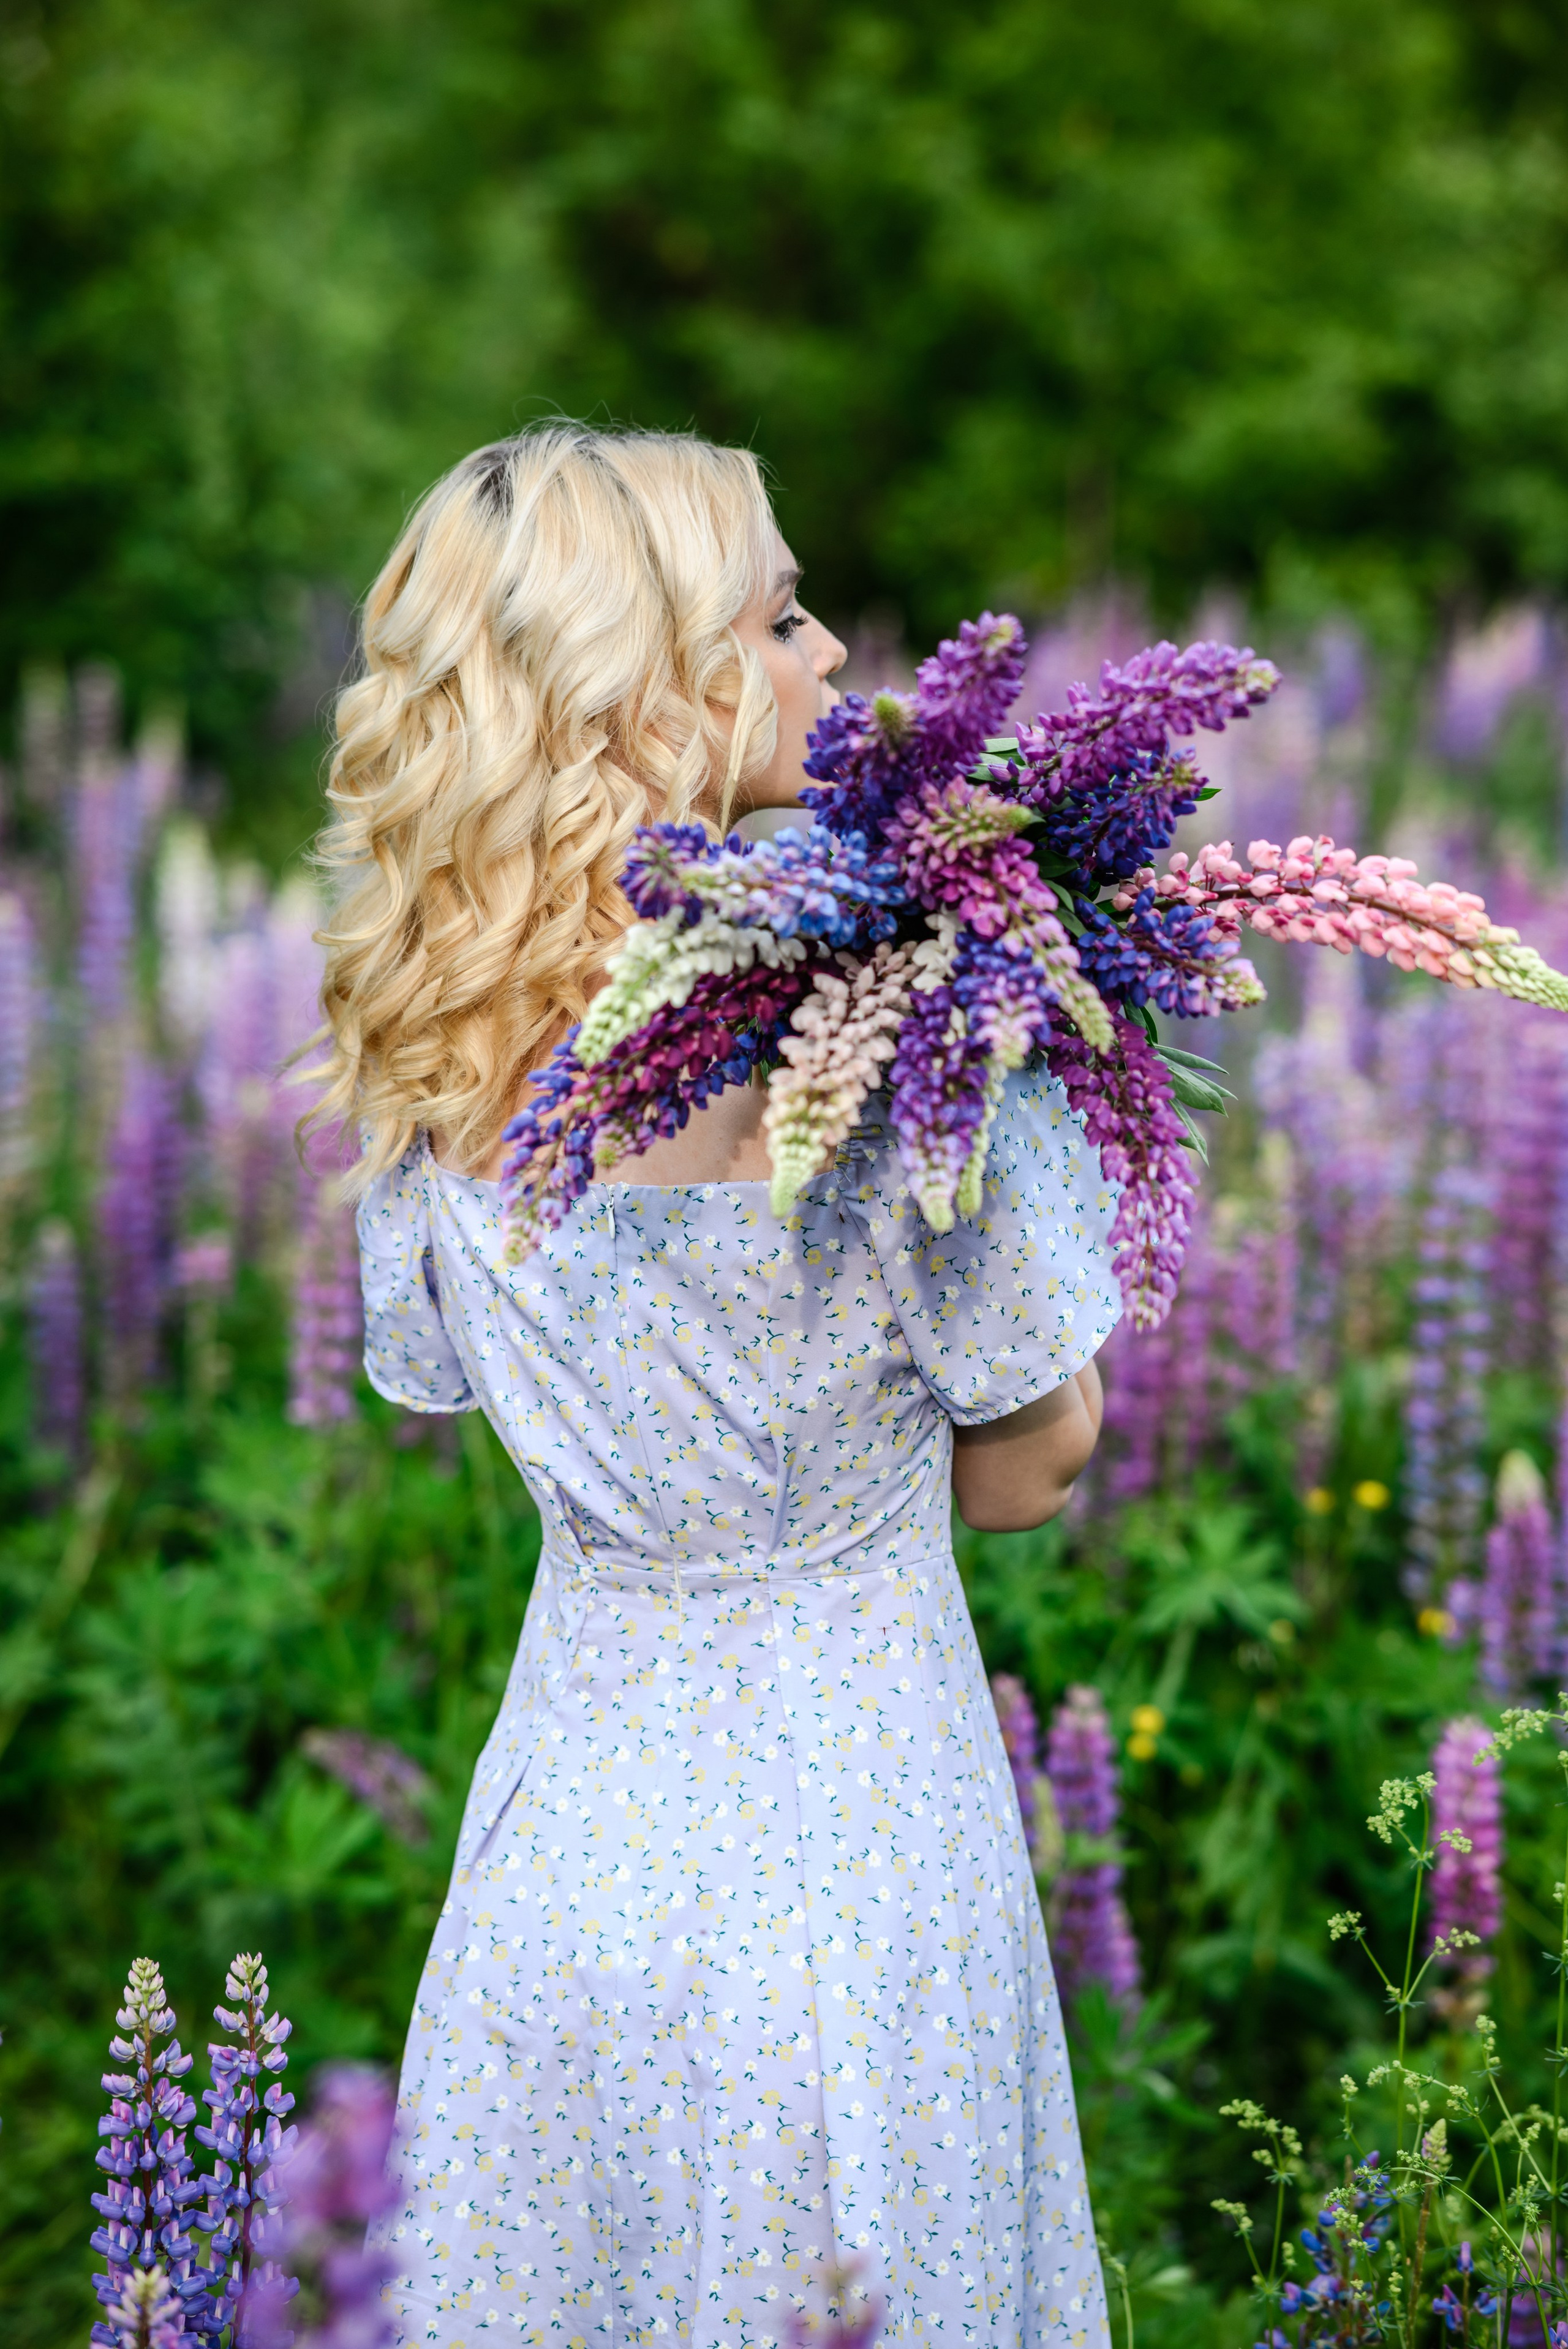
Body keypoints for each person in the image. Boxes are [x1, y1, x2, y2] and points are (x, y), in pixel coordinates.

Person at [314, 423, 1120, 2347]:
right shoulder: (889, 1018)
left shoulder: (428, 1039)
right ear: (666, 690)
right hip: (865, 1856)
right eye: (781, 614)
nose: (835, 652)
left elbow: (440, 1382)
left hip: (565, 1872)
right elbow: (1037, 1456)